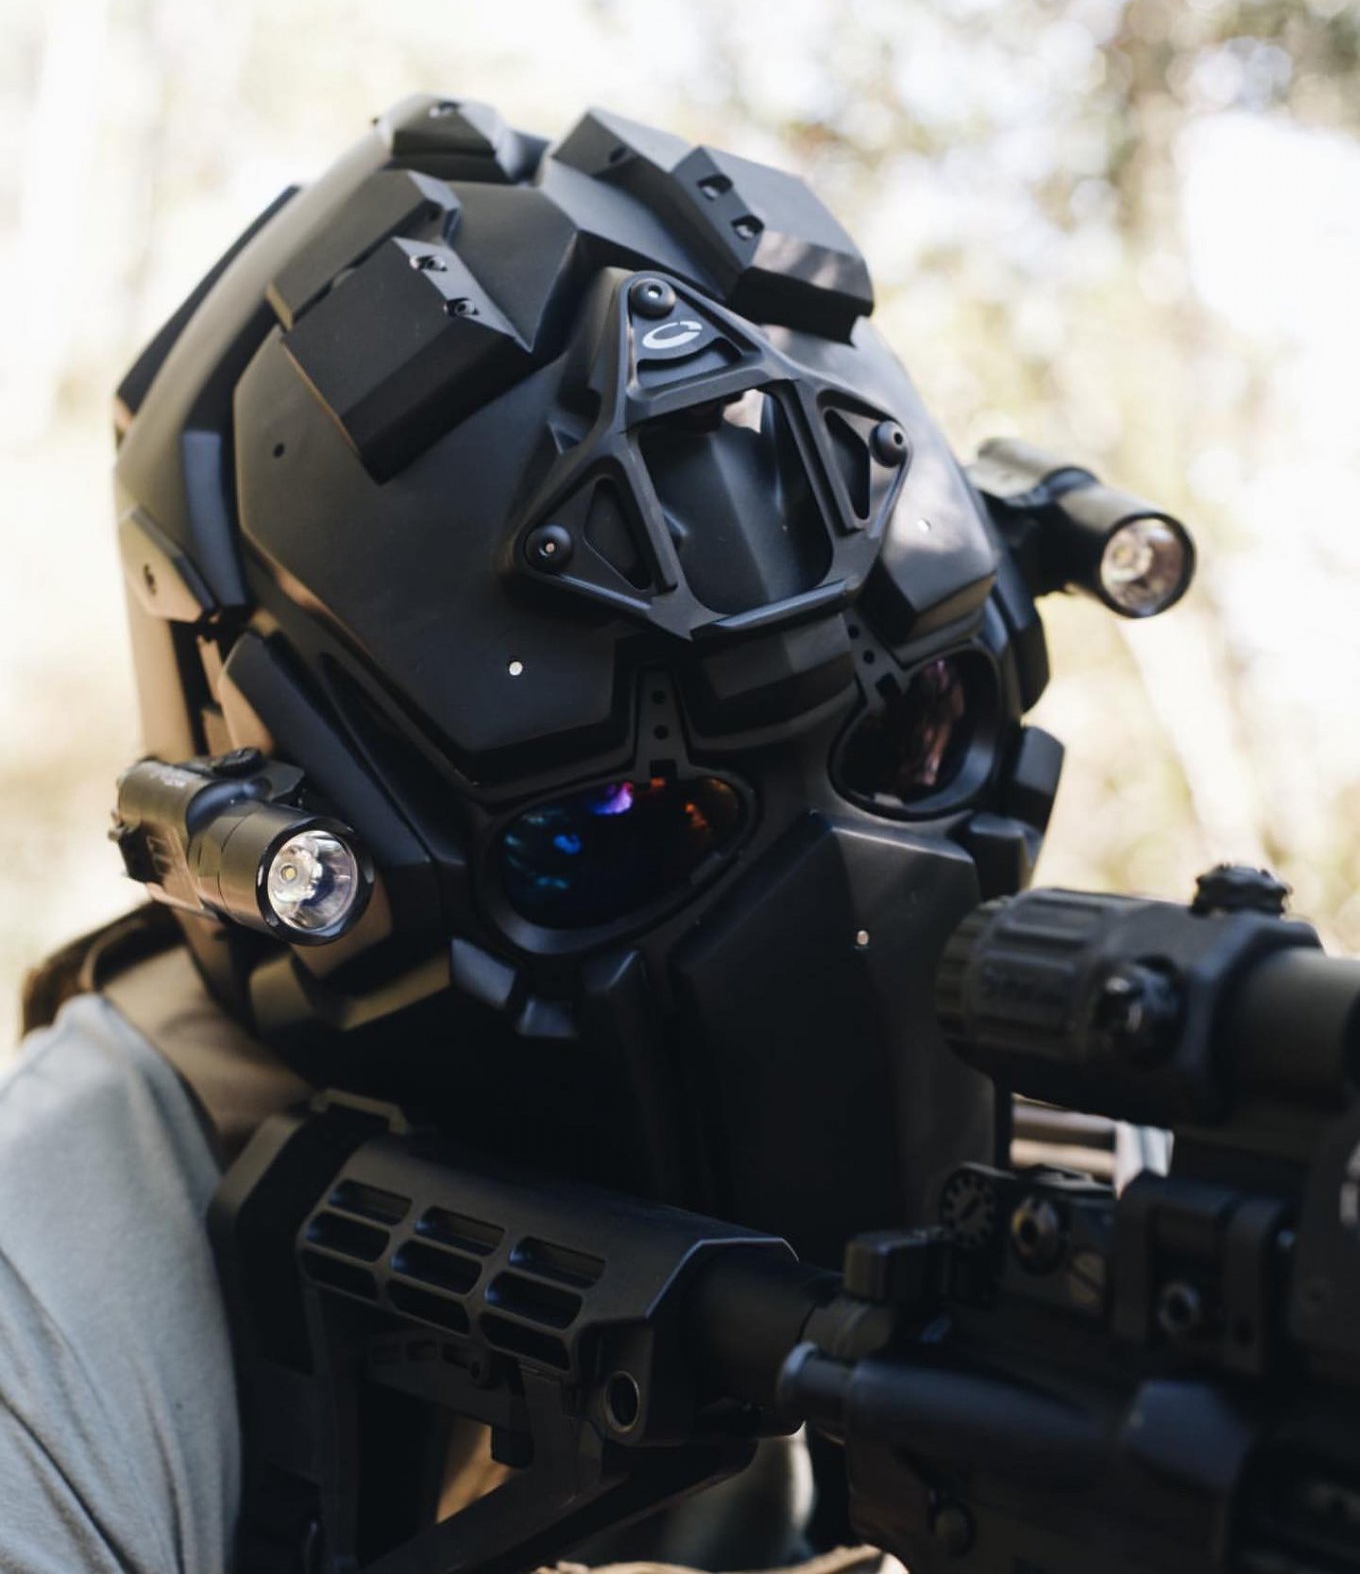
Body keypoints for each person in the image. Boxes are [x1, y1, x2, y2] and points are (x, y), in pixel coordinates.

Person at [5, 95, 1188, 1572]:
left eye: (908, 742)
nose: (839, 906)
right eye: (610, 830)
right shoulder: (55, 1294)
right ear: (286, 853)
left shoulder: (1120, 1155)